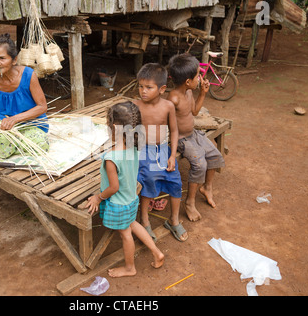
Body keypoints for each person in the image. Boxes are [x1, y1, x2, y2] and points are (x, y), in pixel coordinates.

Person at [86, 101, 165, 278]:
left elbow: (113, 187)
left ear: (114, 127)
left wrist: (98, 197)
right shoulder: (134, 147)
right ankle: (156, 252)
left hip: (119, 203)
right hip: (131, 198)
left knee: (126, 234)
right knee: (132, 224)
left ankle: (130, 268)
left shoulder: (111, 158)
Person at [167, 53, 225, 222]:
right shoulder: (174, 98)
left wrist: (203, 93)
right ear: (187, 81)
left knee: (215, 154)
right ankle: (190, 203)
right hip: (182, 140)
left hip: (194, 134)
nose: (200, 78)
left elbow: (194, 112)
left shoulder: (189, 92)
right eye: (197, 76)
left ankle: (207, 187)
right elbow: (167, 123)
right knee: (200, 165)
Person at [133, 63, 188, 242]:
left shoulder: (168, 107)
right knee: (148, 179)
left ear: (162, 88)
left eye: (149, 87)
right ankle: (145, 221)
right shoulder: (135, 106)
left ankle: (173, 220)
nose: (143, 91)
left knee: (175, 181)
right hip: (143, 151)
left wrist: (172, 156)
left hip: (163, 149)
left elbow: (173, 131)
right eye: (140, 86)